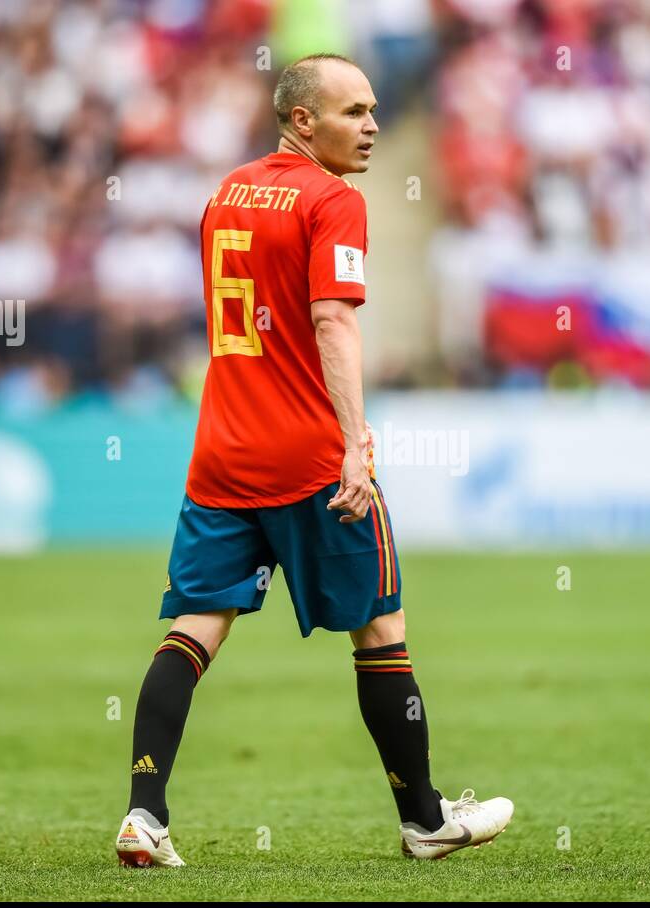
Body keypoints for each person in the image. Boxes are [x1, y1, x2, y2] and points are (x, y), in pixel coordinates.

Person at [115, 53, 513, 866]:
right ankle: (426, 819)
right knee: (380, 627)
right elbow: (332, 322)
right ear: (304, 121)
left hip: (223, 451)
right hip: (307, 454)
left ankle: (143, 816)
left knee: (194, 626)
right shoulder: (332, 200)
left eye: (373, 111)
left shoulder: (226, 192)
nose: (372, 126)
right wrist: (355, 447)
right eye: (354, 112)